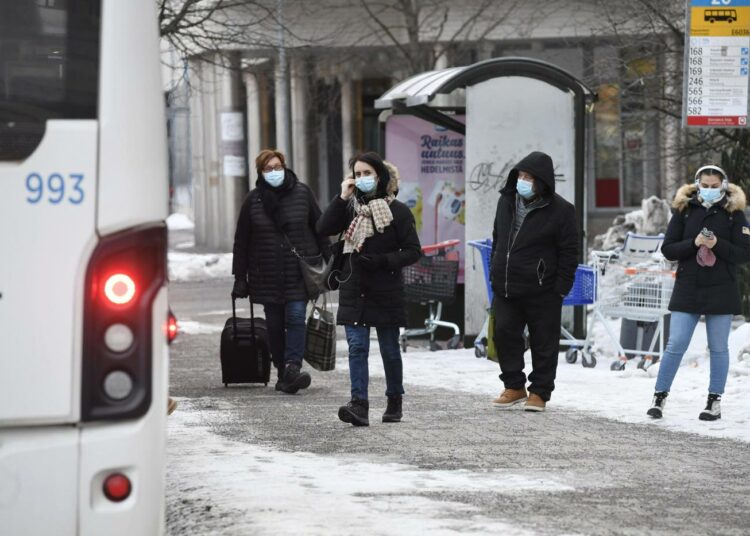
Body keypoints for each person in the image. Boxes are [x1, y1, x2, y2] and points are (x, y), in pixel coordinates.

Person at [317, 152, 421, 426]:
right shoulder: (350, 208)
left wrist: (383, 261)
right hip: (354, 288)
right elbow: (323, 227)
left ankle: (394, 400)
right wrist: (341, 197)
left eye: (368, 174)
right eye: (358, 174)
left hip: (386, 289)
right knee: (357, 348)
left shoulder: (397, 210)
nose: (362, 179)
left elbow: (413, 251)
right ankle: (359, 405)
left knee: (389, 349)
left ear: (380, 176)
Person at [647, 165, 750, 420]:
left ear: (724, 186)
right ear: (697, 183)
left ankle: (714, 401)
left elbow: (744, 253)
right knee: (676, 344)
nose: (710, 189)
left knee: (718, 348)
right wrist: (694, 243)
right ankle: (659, 397)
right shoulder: (683, 210)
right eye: (706, 185)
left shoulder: (734, 213)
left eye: (716, 186)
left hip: (721, 287)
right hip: (688, 285)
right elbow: (669, 249)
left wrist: (718, 244)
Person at [232, 149, 329, 394]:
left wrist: (331, 266)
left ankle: (292, 366)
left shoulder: (302, 193)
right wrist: (239, 278)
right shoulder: (253, 201)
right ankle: (282, 372)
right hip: (266, 273)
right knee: (274, 325)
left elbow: (319, 229)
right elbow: (241, 241)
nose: (274, 172)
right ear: (260, 173)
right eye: (268, 169)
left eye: (277, 167)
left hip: (298, 271)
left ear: (284, 166)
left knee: (296, 317)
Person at [490, 151, 579, 412]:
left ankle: (539, 392)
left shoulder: (562, 210)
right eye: (520, 175)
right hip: (506, 285)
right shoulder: (505, 202)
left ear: (542, 181)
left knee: (544, 342)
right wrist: (495, 270)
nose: (523, 181)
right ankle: (514, 385)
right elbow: (498, 238)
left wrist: (562, 286)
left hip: (543, 289)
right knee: (504, 334)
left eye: (529, 177)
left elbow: (569, 251)